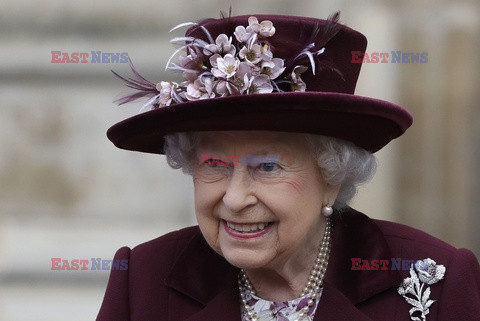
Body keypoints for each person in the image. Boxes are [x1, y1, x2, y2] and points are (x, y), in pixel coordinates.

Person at [97, 13, 480, 321]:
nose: (234, 198)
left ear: (332, 177)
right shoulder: (144, 278)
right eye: (213, 163)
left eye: (266, 166)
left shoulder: (434, 278)